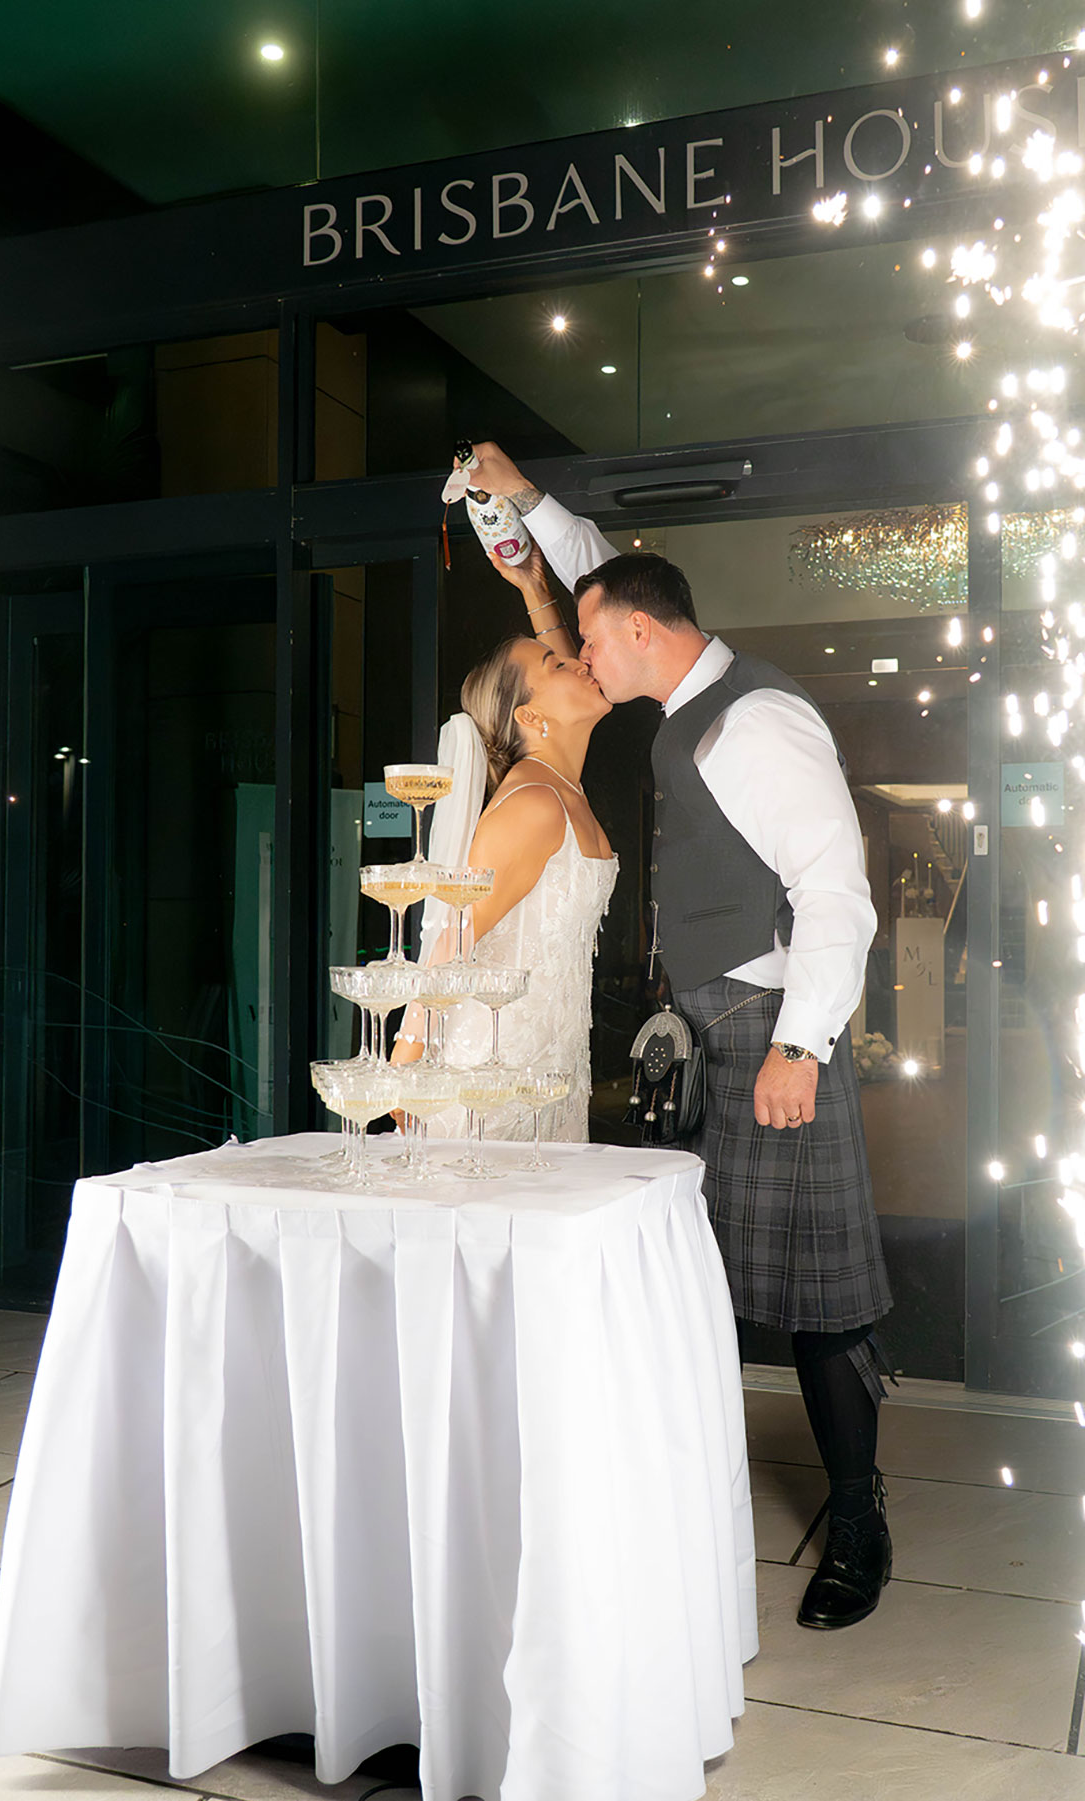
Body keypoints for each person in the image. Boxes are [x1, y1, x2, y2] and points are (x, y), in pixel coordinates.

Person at [462, 440, 893, 1632]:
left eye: (592, 642)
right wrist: (530, 501)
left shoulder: (758, 722)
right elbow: (607, 579)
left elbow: (837, 892)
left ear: (644, 638)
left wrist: (802, 1046)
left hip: (771, 1028)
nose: (581, 655)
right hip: (705, 1028)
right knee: (693, 1282)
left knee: (819, 1295)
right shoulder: (672, 671)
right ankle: (681, 1506)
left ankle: (858, 1517)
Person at [394, 542, 616, 1141]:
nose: (579, 662)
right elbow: (450, 943)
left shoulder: (563, 783)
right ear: (531, 719)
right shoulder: (536, 805)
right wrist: (402, 1067)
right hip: (490, 1081)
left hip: (553, 1070)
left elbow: (575, 677)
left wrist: (534, 588)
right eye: (555, 664)